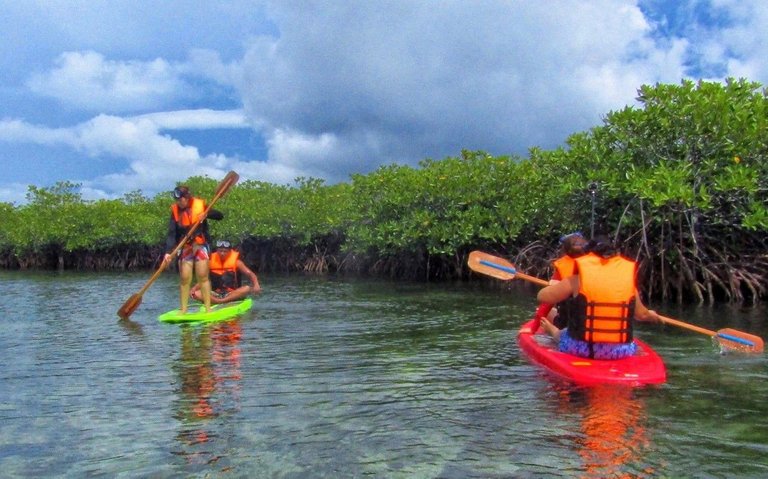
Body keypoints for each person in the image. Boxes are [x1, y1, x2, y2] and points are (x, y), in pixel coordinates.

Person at [537, 235, 660, 360]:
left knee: (562, 333)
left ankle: (553, 331)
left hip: (582, 349)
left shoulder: (576, 280)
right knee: (632, 343)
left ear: (588, 255)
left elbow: (542, 297)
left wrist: (557, 285)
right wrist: (651, 314)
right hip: (620, 352)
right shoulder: (627, 283)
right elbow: (641, 315)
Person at [162, 185, 223, 313]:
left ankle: (208, 308)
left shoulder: (200, 205)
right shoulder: (175, 210)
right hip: (185, 246)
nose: (179, 202)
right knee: (184, 277)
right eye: (177, 200)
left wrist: (206, 214)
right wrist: (168, 252)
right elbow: (171, 233)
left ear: (187, 197)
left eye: (181, 199)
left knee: (202, 276)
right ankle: (183, 310)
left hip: (200, 245)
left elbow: (219, 216)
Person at [532, 232, 588, 330]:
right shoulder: (597, 265)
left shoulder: (562, 267)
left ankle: (555, 332)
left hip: (569, 324)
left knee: (541, 310)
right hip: (594, 322)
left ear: (565, 250)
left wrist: (533, 328)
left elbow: (547, 303)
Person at [190, 239, 261, 304]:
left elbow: (250, 274)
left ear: (230, 251)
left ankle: (220, 301)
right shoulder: (210, 262)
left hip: (232, 293)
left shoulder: (237, 262)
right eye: (220, 251)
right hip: (215, 294)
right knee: (197, 293)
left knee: (246, 288)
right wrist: (194, 288)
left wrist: (256, 284)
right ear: (217, 250)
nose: (222, 253)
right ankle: (217, 300)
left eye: (225, 251)